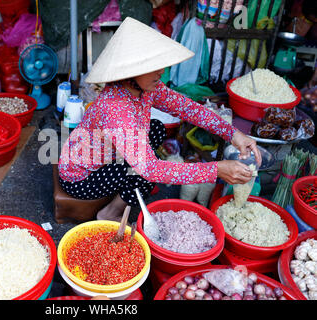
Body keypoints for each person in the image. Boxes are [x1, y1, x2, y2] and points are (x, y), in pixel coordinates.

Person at [58, 17, 261, 221]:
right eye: (153, 67)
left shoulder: (145, 89)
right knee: (145, 174)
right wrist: (216, 170)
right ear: (131, 71)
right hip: (81, 177)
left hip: (108, 153)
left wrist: (233, 134)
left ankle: (125, 192)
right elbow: (151, 169)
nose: (162, 72)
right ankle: (109, 213)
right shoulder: (116, 110)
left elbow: (187, 108)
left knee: (155, 129)